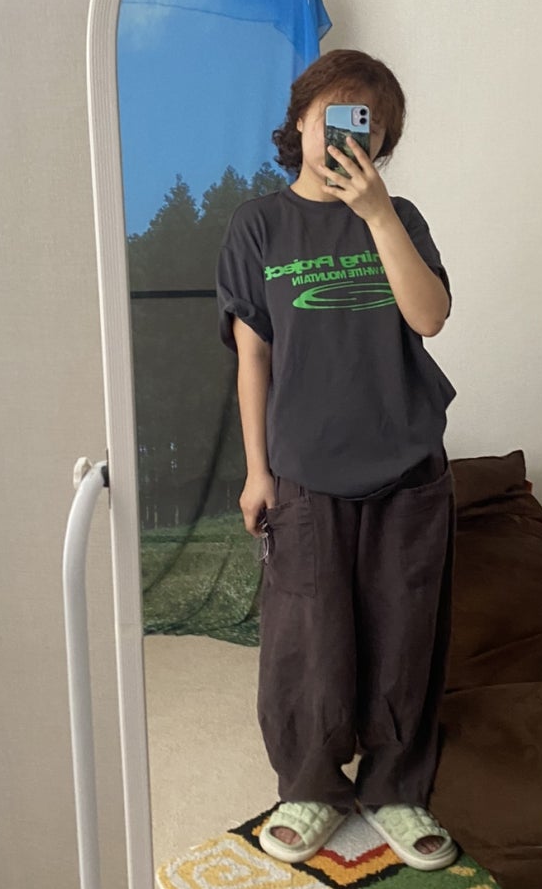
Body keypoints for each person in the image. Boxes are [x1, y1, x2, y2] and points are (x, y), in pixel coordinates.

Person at [216, 49, 458, 871]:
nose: (355, 135)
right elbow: (253, 358)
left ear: (383, 141)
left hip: (408, 465)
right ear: (301, 121)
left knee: (404, 632)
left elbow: (428, 318)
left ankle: (396, 789)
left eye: (372, 124)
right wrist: (257, 471)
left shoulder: (401, 216)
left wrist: (379, 215)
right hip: (304, 471)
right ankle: (309, 784)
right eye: (339, 117)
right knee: (304, 637)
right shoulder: (257, 225)